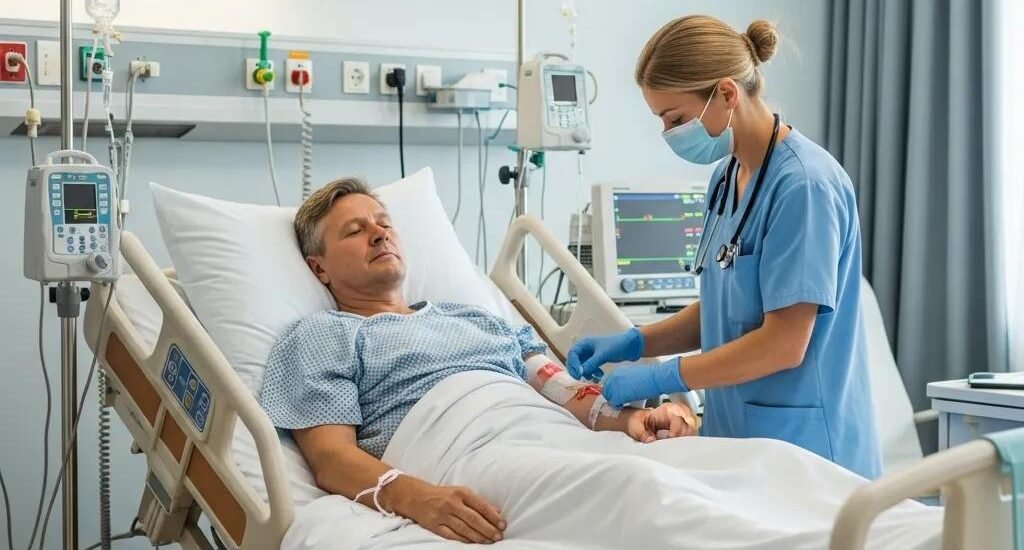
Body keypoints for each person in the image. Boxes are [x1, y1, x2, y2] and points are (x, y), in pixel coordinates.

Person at [258, 178, 697, 545]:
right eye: (355, 230)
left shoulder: (473, 317)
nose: (379, 234)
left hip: (546, 430)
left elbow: (558, 387)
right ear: (319, 270)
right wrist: (414, 496)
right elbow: (332, 458)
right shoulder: (321, 335)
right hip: (460, 450)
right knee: (639, 490)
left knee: (694, 471)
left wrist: (630, 420)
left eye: (384, 223)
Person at [566, 15, 881, 480]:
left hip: (810, 454)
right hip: (742, 444)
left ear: (728, 95)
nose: (668, 133)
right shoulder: (726, 177)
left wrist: (662, 375)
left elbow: (783, 345)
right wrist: (636, 341)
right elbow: (724, 307)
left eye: (676, 118)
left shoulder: (805, 187)